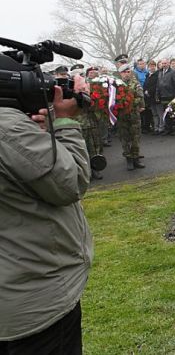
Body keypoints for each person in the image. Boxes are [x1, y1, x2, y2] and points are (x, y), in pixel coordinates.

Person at [0, 84, 92, 353]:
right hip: (31, 300)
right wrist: (63, 122)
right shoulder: (8, 128)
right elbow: (70, 182)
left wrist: (35, 137)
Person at [117, 63, 145, 170]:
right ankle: (128, 159)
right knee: (124, 138)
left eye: (128, 72)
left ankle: (136, 158)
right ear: (121, 74)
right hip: (122, 116)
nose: (127, 74)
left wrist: (130, 102)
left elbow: (139, 96)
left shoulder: (135, 83)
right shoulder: (117, 84)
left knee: (135, 137)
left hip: (133, 114)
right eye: (124, 72)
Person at [156, 58, 175, 134]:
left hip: (172, 96)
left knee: (173, 114)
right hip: (163, 96)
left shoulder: (173, 72)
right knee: (166, 114)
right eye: (162, 63)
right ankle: (168, 129)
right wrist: (157, 95)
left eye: (165, 63)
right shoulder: (160, 73)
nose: (164, 65)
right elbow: (158, 85)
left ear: (168, 64)